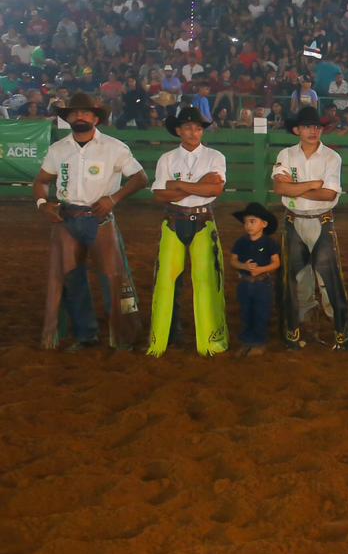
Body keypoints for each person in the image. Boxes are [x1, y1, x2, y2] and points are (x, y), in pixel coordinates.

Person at [34, 92, 147, 351]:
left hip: (100, 219)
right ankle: (87, 335)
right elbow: (40, 181)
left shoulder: (115, 147)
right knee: (73, 280)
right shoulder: (58, 149)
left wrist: (114, 198)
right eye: (75, 113)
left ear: (96, 118)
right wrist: (42, 204)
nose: (80, 116)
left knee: (112, 278)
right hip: (67, 218)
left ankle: (122, 338)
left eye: (85, 113)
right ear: (69, 118)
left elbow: (140, 178)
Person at [147, 106, 230, 357]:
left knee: (205, 280)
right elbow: (160, 195)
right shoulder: (168, 158)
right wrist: (198, 186)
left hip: (199, 219)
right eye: (188, 127)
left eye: (198, 127)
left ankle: (209, 340)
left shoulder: (215, 156)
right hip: (176, 219)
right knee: (166, 281)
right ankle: (165, 337)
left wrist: (179, 186)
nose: (193, 132)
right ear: (179, 131)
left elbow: (215, 190)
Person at [272, 105, 348, 351]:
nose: (313, 131)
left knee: (329, 279)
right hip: (297, 220)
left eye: (316, 127)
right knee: (295, 278)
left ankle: (341, 333)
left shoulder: (332, 156)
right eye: (307, 126)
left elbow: (328, 195)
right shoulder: (287, 154)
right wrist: (313, 185)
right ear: (297, 129)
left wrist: (296, 186)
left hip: (320, 219)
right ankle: (297, 328)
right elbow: (280, 188)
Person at [228, 202, 281, 357]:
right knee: (246, 313)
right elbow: (233, 261)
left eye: (252, 221)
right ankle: (247, 342)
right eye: (246, 222)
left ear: (263, 224)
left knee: (260, 313)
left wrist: (260, 270)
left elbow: (276, 263)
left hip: (262, 284)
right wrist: (245, 267)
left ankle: (258, 342)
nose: (248, 225)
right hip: (245, 283)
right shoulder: (241, 242)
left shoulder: (270, 243)